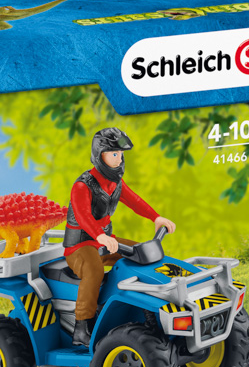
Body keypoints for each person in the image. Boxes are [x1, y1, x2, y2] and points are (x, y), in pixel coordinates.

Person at [64, 128, 177, 347]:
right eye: (114, 154)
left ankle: (143, 307)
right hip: (80, 246)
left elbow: (134, 201)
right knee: (94, 270)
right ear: (100, 155)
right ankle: (81, 327)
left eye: (121, 154)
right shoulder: (82, 186)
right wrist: (99, 235)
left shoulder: (114, 183)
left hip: (105, 241)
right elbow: (83, 216)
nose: (119, 159)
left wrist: (156, 217)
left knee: (141, 254)